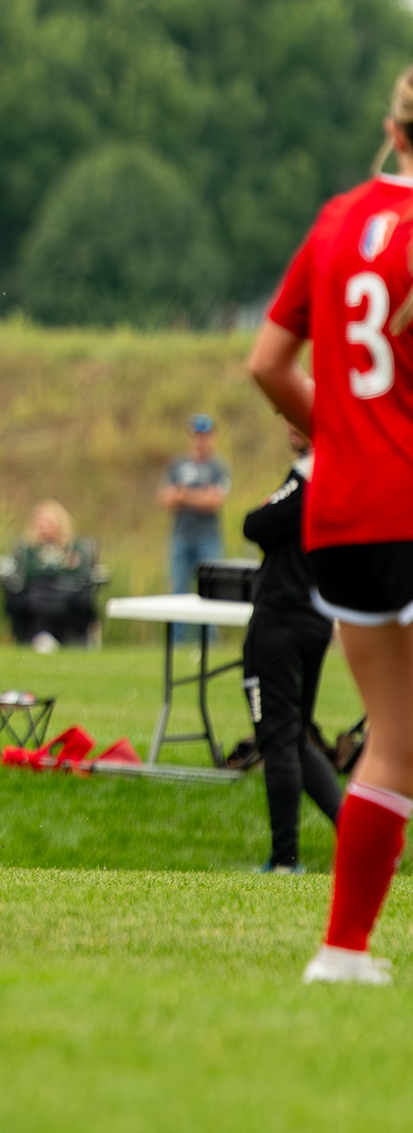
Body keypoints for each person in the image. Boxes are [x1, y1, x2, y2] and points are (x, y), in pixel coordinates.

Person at [248, 62, 413, 984]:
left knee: (394, 738)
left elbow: (268, 364)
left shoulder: (339, 219)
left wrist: (345, 433)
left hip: (344, 514)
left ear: (394, 131)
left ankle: (342, 953)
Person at [239, 426, 342, 875]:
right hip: (316, 620)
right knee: (296, 737)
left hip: (281, 622)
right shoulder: (342, 478)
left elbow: (255, 525)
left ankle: (285, 860)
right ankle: (358, 831)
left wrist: (270, 506)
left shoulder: (309, 476)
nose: (288, 426)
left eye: (297, 417)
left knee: (278, 740)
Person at [162, 414, 230, 638]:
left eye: (205, 436)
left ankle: (210, 643)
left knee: (211, 593)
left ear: (213, 437)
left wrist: (185, 494)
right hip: (181, 537)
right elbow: (167, 499)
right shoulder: (178, 465)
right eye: (197, 436)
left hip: (208, 539)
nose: (201, 441)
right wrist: (199, 495)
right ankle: (176, 643)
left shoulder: (218, 468)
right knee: (178, 593)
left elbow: (214, 502)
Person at [0, 500, 98, 651]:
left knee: (76, 602)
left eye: (49, 523)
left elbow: (80, 576)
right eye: (41, 523)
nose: (44, 527)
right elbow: (23, 575)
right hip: (34, 595)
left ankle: (59, 638)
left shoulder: (76, 548)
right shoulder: (26, 550)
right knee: (27, 600)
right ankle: (39, 637)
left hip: (68, 595)